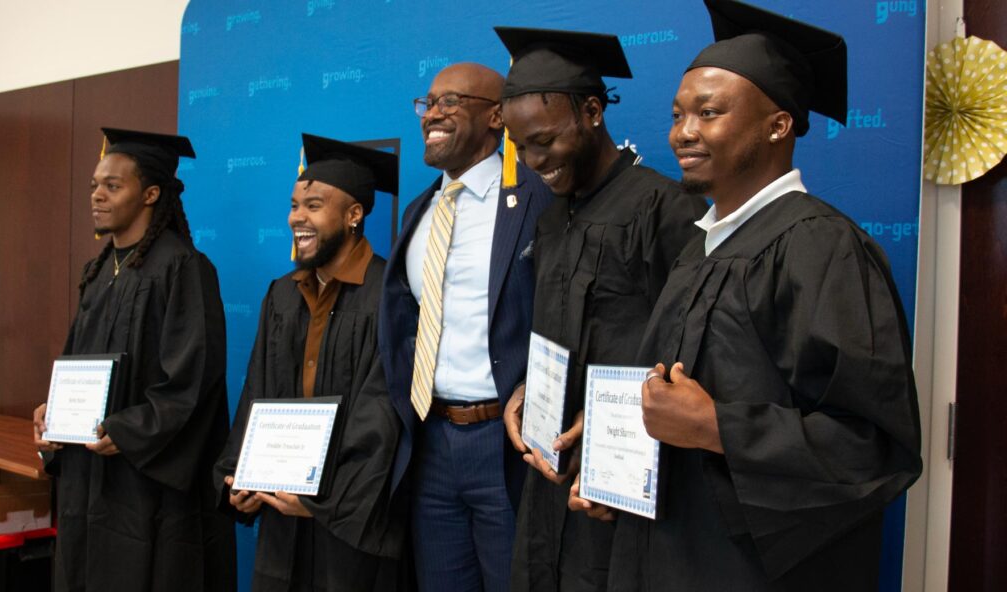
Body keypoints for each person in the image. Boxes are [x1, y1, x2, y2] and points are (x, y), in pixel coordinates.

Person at [583, 1, 923, 590]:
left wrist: (719, 426)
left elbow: (871, 446)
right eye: (678, 114)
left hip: (752, 569)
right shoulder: (702, 248)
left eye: (709, 113)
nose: (683, 132)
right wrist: (620, 466)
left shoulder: (821, 247)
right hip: (665, 549)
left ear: (778, 125)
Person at [495, 27, 708, 592]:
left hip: (623, 479)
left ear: (592, 111)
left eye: (545, 140)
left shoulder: (665, 208)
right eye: (521, 147)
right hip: (551, 478)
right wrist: (523, 392)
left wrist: (620, 420)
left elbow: (697, 349)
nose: (534, 161)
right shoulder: (551, 218)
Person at [32, 128, 236, 592]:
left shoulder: (183, 267)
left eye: (112, 185)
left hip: (146, 485)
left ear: (151, 193)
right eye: (93, 185)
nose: (97, 196)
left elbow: (194, 380)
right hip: (90, 474)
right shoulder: (102, 268)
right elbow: (77, 363)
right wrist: (54, 415)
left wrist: (128, 430)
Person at [377, 62, 554, 592]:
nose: (432, 113)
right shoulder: (420, 211)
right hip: (429, 442)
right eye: (427, 102)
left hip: (505, 445)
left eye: (450, 102)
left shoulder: (537, 200)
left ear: (496, 116)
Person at [213, 134, 408, 591]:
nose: (297, 217)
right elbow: (256, 393)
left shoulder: (388, 294)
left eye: (314, 205)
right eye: (295, 205)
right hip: (282, 508)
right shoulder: (282, 293)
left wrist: (328, 497)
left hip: (351, 518)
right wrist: (241, 473)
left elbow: (382, 412)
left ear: (354, 214)